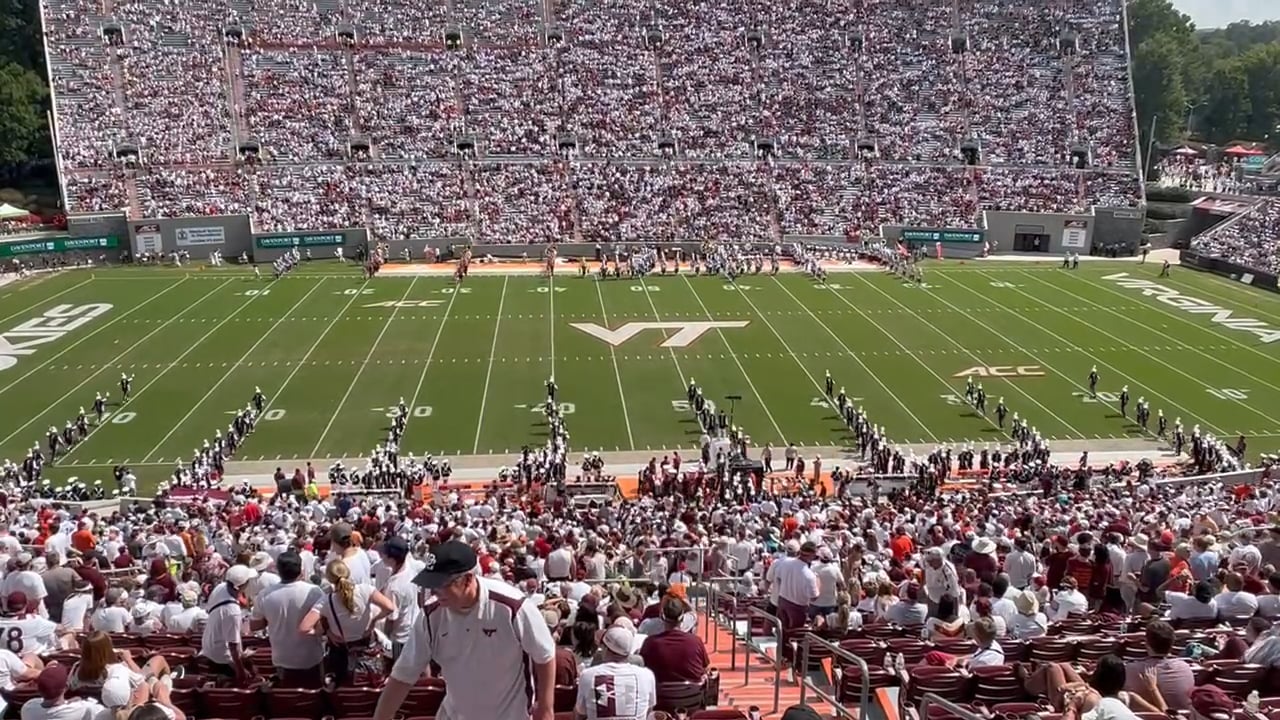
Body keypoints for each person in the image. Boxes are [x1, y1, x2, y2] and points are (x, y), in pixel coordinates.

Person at [372, 541, 557, 720]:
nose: (434, 592)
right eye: (431, 585)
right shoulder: (430, 615)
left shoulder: (512, 607)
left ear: (468, 579)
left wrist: (546, 708)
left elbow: (545, 654)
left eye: (441, 585)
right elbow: (403, 674)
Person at [301, 558, 395, 686]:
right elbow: (390, 607)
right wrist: (374, 619)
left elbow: (304, 628)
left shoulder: (325, 601)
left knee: (343, 686)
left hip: (341, 651)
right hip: (367, 645)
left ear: (329, 579)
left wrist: (327, 632)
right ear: (347, 573)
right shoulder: (365, 589)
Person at [250, 551, 324, 688]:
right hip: (310, 657)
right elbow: (323, 622)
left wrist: (271, 617)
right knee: (313, 699)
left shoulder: (265, 595)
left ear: (278, 570)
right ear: (301, 570)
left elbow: (254, 625)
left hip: (282, 658)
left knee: (287, 699)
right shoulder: (314, 591)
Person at [575, 626, 656, 720]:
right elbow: (649, 709)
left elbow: (581, 713)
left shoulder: (587, 675)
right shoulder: (647, 675)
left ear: (605, 648)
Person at [197, 564, 255, 682]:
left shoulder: (221, 587)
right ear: (241, 586)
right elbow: (232, 647)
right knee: (252, 672)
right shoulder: (233, 612)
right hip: (221, 656)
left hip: (209, 644)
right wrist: (240, 671)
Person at [637, 596, 709, 684]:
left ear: (662, 617)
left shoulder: (650, 643)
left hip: (661, 695)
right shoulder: (696, 642)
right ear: (682, 618)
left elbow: (642, 667)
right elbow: (705, 668)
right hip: (692, 695)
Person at [20, 664, 102, 720]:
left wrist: (68, 702)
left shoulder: (28, 708)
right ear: (66, 687)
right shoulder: (84, 709)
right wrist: (81, 701)